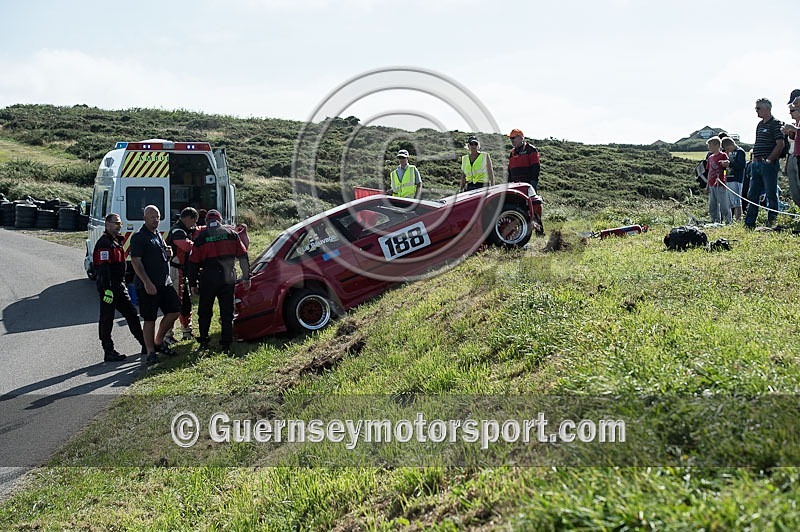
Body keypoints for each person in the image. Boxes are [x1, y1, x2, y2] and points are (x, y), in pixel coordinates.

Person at [188, 209, 250, 352]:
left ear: (206, 222)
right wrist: (246, 277)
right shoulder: (231, 234)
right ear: (220, 221)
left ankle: (204, 341)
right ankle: (226, 343)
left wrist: (192, 284)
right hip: (228, 277)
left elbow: (193, 263)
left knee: (205, 312)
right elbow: (243, 256)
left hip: (208, 278)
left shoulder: (200, 238)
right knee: (227, 312)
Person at [129, 205, 181, 365]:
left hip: (164, 282)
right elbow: (136, 262)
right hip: (148, 285)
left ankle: (158, 341)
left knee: (175, 310)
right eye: (152, 217)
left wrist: (169, 254)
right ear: (144, 218)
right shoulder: (139, 237)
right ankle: (150, 352)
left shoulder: (158, 234)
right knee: (150, 319)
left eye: (157, 217)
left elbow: (162, 256)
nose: (156, 220)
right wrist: (147, 282)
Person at [93, 213, 146, 362]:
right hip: (109, 288)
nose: (118, 226)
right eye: (116, 223)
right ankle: (108, 351)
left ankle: (145, 344)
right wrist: (107, 290)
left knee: (132, 314)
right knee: (107, 318)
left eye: (120, 224)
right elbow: (103, 269)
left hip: (119, 286)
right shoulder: (104, 244)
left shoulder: (116, 241)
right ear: (107, 224)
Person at [744, 98, 785, 228]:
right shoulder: (760, 125)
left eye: (758, 108)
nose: (756, 111)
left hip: (767, 164)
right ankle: (749, 222)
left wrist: (769, 160)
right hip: (756, 163)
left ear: (767, 109)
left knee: (771, 193)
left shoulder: (776, 123)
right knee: (752, 194)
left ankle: (772, 221)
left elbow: (780, 144)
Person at [165, 207, 199, 343]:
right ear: (188, 218)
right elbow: (187, 246)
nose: (194, 224)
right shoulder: (178, 231)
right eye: (194, 221)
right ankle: (167, 335)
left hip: (182, 271)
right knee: (174, 304)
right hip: (175, 271)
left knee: (186, 303)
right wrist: (201, 245)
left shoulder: (184, 230)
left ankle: (186, 331)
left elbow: (198, 230)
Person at [705, 137, 731, 224]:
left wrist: (725, 181)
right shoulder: (710, 157)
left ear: (717, 145)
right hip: (712, 184)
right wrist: (707, 185)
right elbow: (709, 171)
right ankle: (715, 221)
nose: (709, 148)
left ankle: (728, 221)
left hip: (721, 183)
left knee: (723, 204)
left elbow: (726, 168)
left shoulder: (723, 155)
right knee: (712, 204)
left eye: (710, 146)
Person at [721, 137, 747, 221]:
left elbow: (742, 165)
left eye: (728, 149)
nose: (727, 151)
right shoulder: (727, 153)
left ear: (732, 144)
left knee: (736, 201)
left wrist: (730, 164)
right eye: (726, 150)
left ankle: (738, 219)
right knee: (727, 202)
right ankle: (729, 220)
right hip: (728, 179)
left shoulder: (740, 152)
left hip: (736, 179)